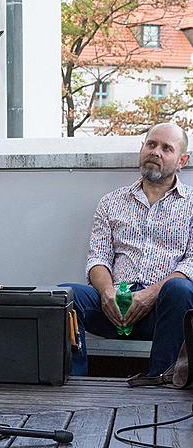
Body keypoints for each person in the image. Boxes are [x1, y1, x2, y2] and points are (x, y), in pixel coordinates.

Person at [62, 122, 193, 378]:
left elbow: (191, 264)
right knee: (64, 296)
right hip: (114, 307)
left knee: (180, 291)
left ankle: (160, 380)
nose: (156, 152)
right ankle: (74, 384)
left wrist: (149, 295)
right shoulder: (111, 202)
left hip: (164, 311)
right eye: (151, 144)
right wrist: (108, 293)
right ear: (141, 149)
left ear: (182, 160)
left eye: (167, 148)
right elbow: (98, 258)